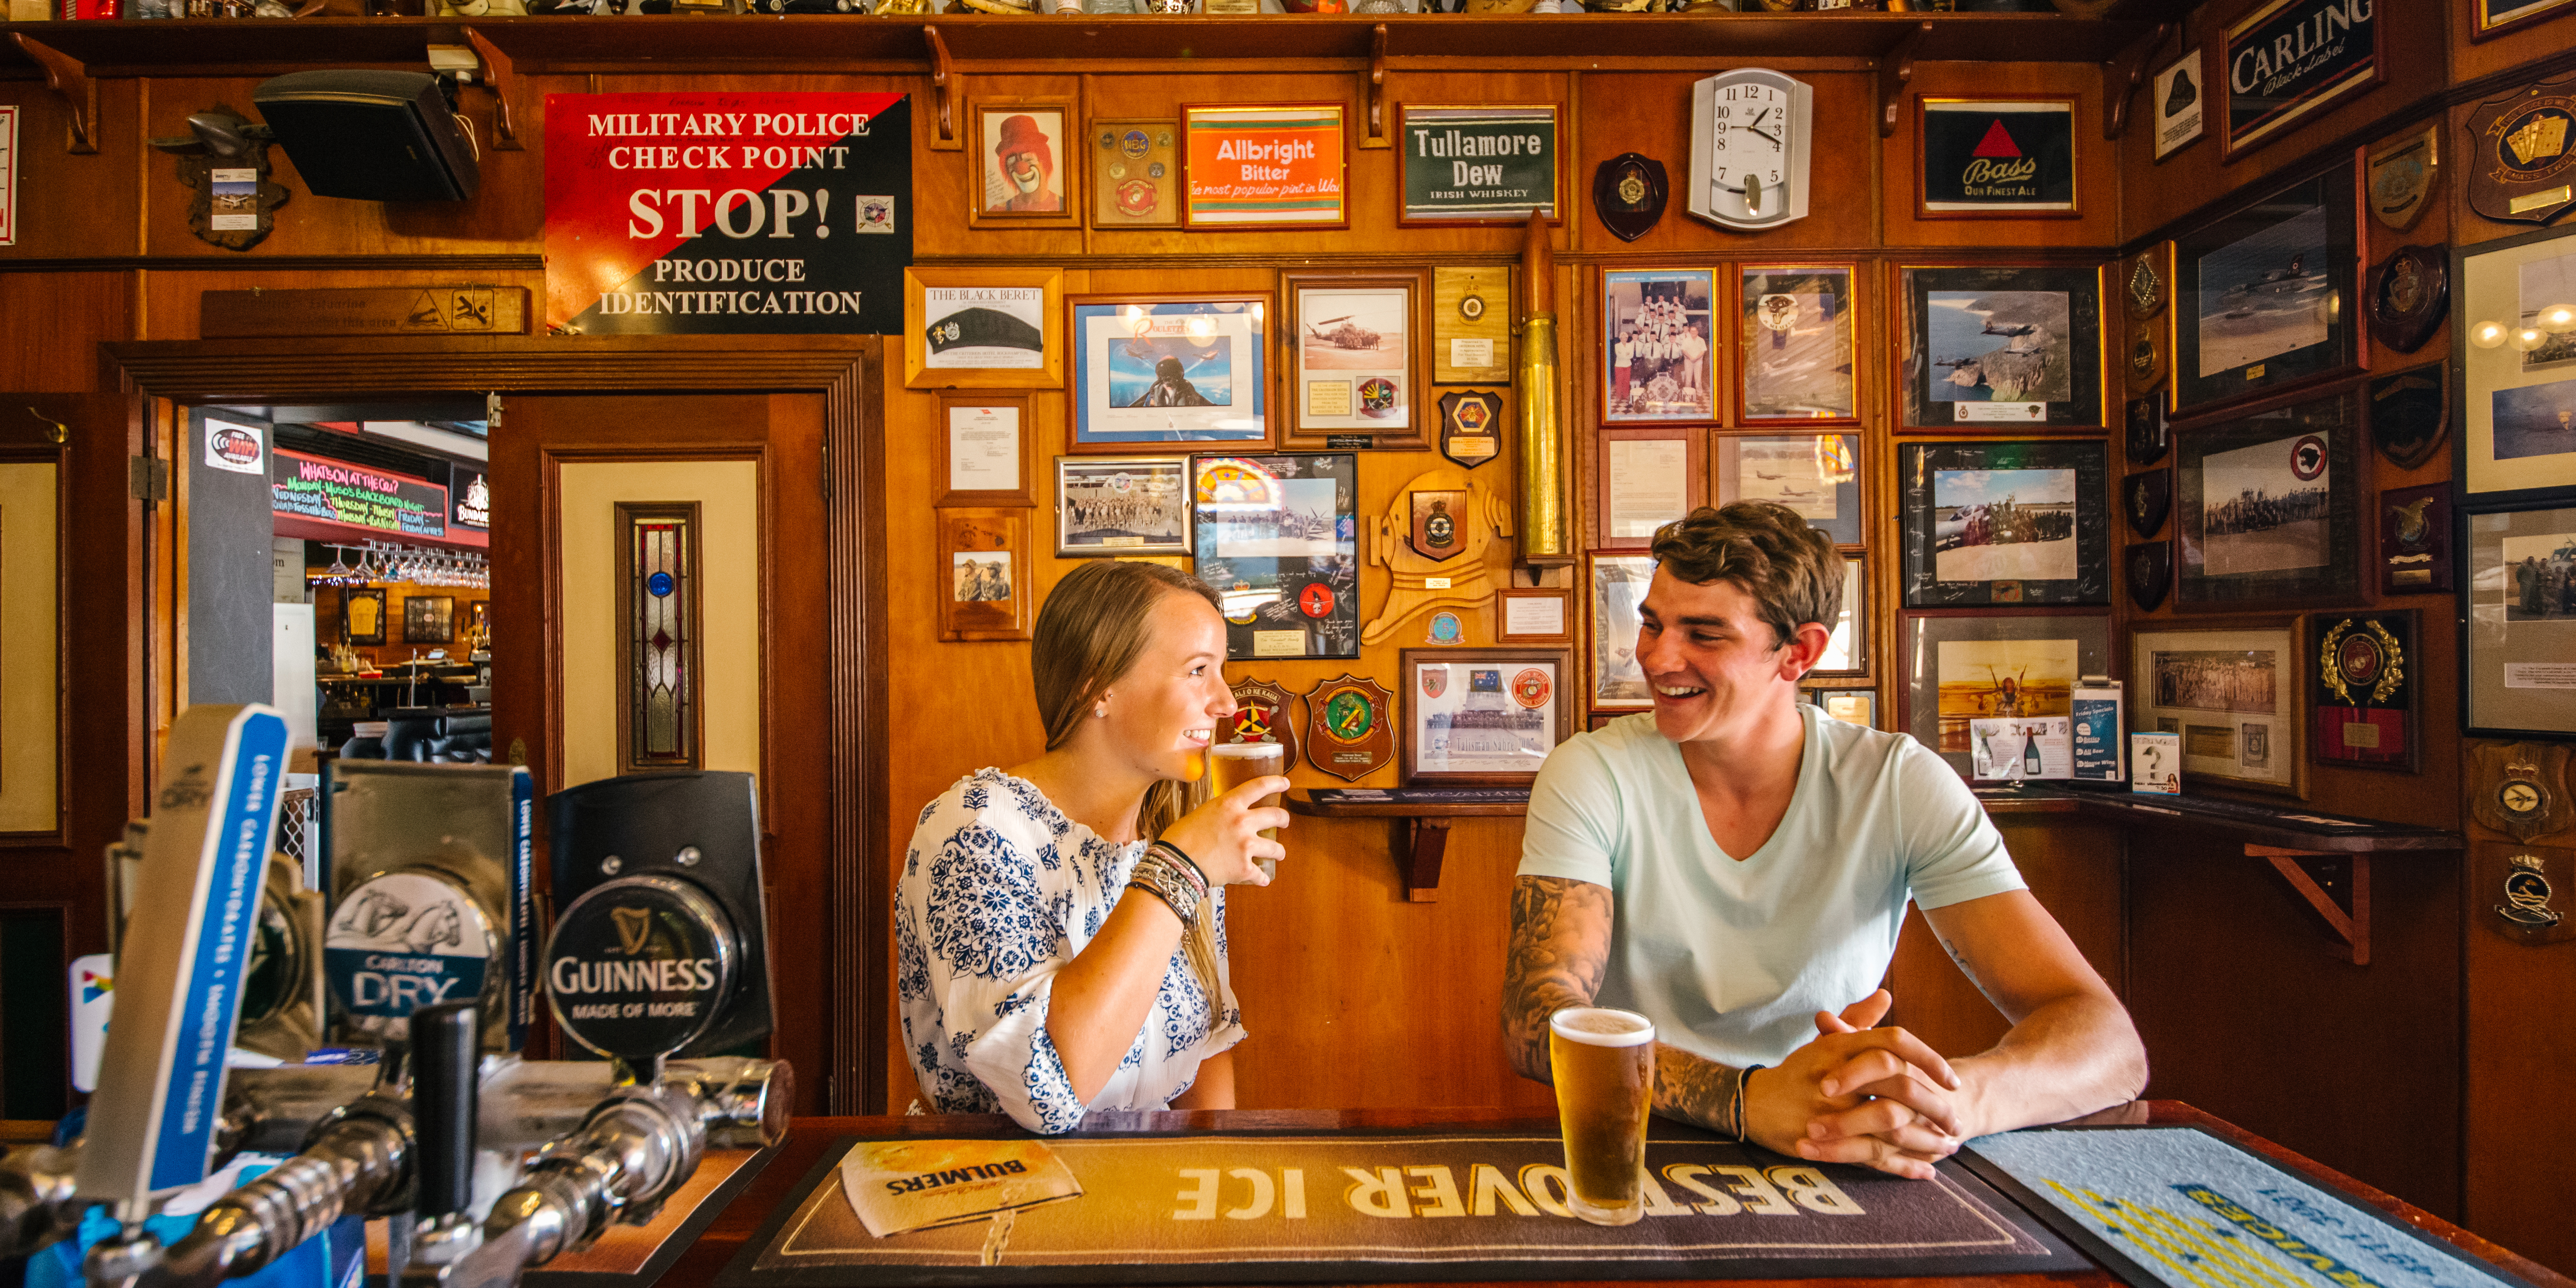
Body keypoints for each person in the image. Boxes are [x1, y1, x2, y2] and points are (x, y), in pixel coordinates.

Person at [1502, 502, 2146, 1179]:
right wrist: (1747, 1100)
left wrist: (1947, 1102)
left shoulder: (1897, 783)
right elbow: (1535, 1019)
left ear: (1799, 652)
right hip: (1636, 1149)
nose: (1658, 658)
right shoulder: (1592, 770)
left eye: (1704, 633)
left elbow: (2109, 1044)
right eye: (1653, 624)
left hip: (1833, 1146)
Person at [899, 560, 1290, 1132]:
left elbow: (1208, 1045)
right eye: (1198, 671)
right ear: (1096, 687)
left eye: (1221, 670)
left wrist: (1216, 1174)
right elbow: (1046, 1093)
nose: (1227, 703)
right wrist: (1180, 869)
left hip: (1154, 1190)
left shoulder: (1177, 833)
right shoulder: (973, 829)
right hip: (1009, 1187)